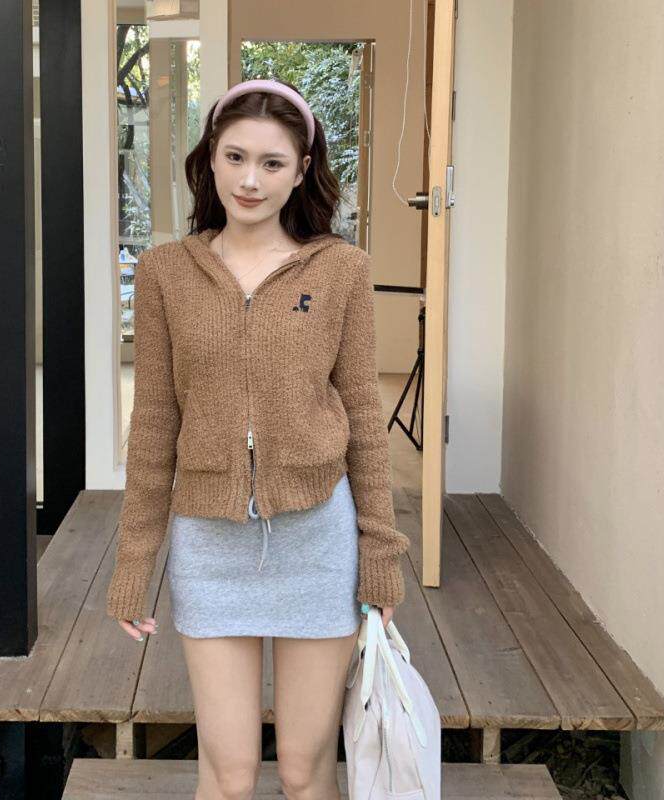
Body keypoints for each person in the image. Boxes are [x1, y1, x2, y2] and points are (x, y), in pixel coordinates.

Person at [106, 77, 410, 799]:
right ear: (210, 158)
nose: (250, 180)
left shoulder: (340, 270)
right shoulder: (166, 272)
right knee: (230, 772)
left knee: (306, 771)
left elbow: (363, 418)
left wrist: (381, 556)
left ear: (301, 170)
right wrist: (135, 562)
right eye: (235, 157)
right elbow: (154, 425)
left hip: (317, 540)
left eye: (272, 163)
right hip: (209, 544)